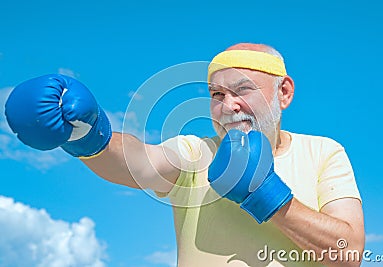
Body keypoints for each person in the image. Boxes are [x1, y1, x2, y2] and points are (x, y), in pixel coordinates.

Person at [5, 43, 364, 266]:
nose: (229, 106)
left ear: (283, 93)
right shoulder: (197, 152)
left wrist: (266, 195)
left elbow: (349, 254)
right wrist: (89, 135)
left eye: (243, 90)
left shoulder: (324, 152)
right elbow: (138, 163)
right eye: (217, 94)